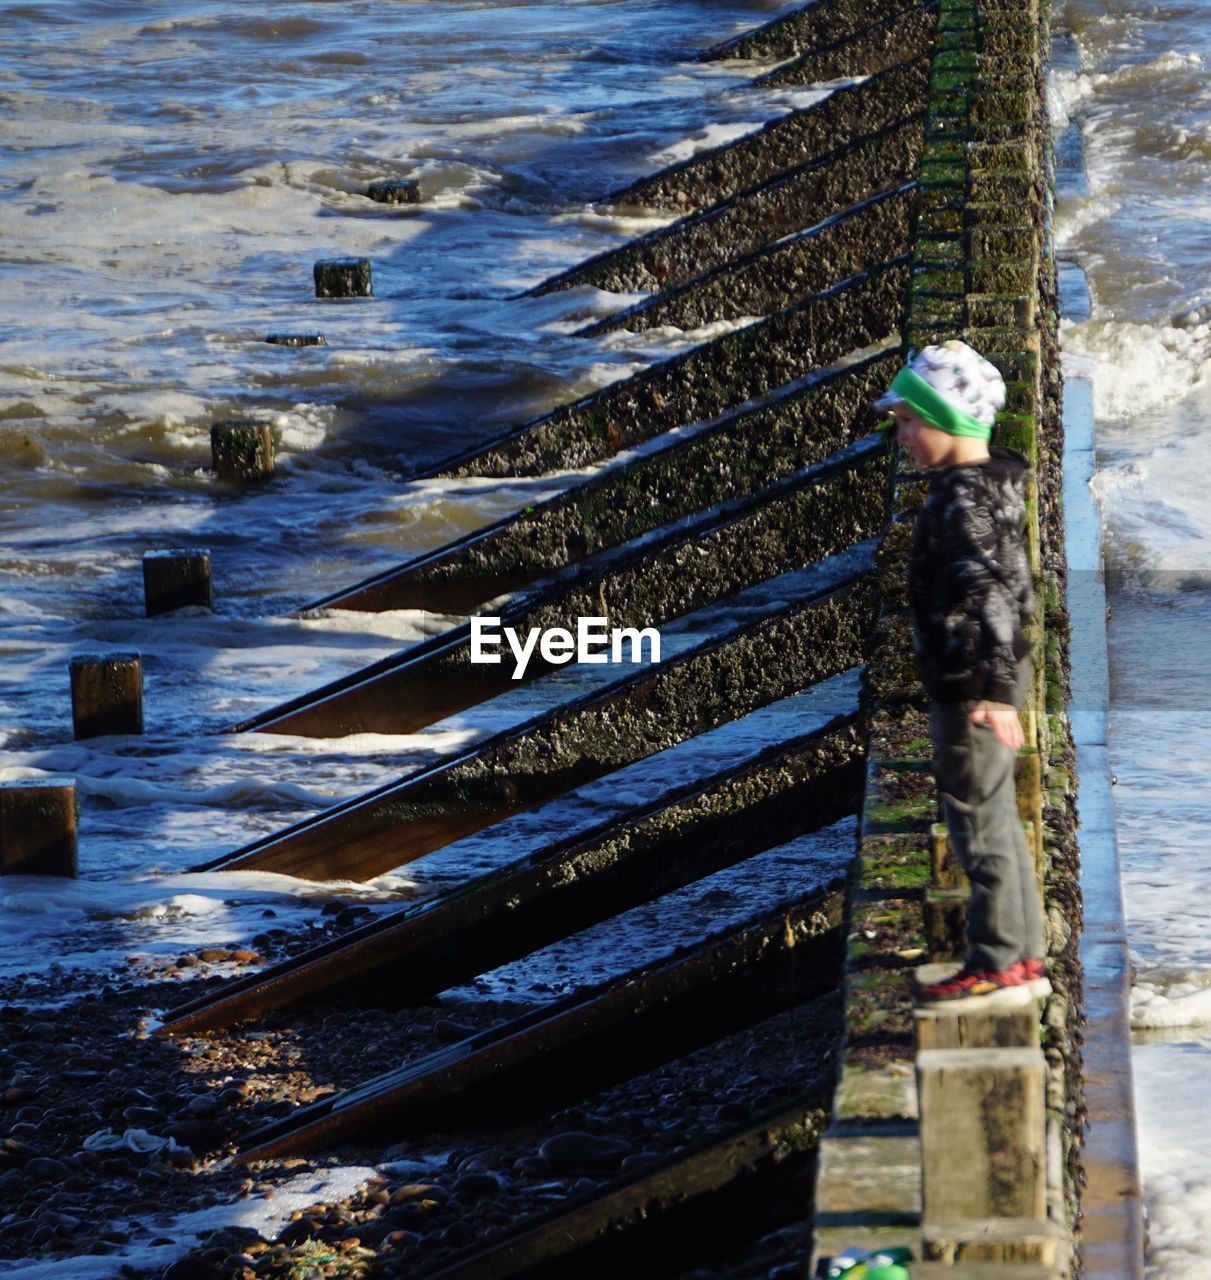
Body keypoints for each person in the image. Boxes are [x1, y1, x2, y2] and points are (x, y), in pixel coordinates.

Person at [875, 340, 1050, 1009]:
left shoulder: (962, 502)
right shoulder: (987, 487)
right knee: (995, 814)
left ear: (948, 422)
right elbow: (1014, 586)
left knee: (976, 819)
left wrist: (994, 690)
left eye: (910, 422)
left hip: (973, 684)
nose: (905, 437)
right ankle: (1021, 957)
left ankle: (999, 962)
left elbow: (990, 594)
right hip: (987, 673)